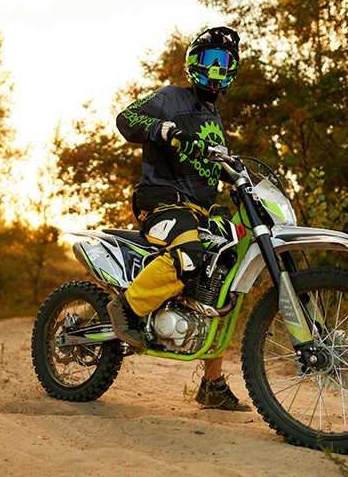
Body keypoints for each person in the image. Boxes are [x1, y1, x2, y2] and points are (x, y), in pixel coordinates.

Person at [108, 26, 250, 412]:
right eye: (210, 59)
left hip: (198, 210)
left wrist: (242, 175)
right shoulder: (172, 97)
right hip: (161, 201)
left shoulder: (214, 116)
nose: (217, 68)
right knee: (189, 254)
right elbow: (126, 119)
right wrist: (163, 129)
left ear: (233, 68)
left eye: (224, 61)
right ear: (194, 63)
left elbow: (213, 162)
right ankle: (127, 308)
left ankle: (212, 384)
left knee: (223, 281)